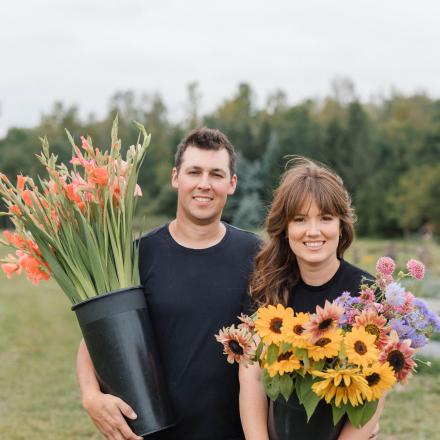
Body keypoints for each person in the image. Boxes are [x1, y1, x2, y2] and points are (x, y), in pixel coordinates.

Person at [76, 128, 261, 440]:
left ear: (231, 183)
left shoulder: (256, 255)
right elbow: (97, 337)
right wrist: (90, 396)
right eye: (194, 172)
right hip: (151, 432)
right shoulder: (135, 256)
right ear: (177, 177)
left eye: (216, 173)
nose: (204, 184)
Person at [239, 157, 381, 440]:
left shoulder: (367, 293)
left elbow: (376, 390)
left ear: (341, 226)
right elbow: (251, 377)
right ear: (285, 228)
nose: (313, 231)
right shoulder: (266, 288)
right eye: (300, 219)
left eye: (325, 218)